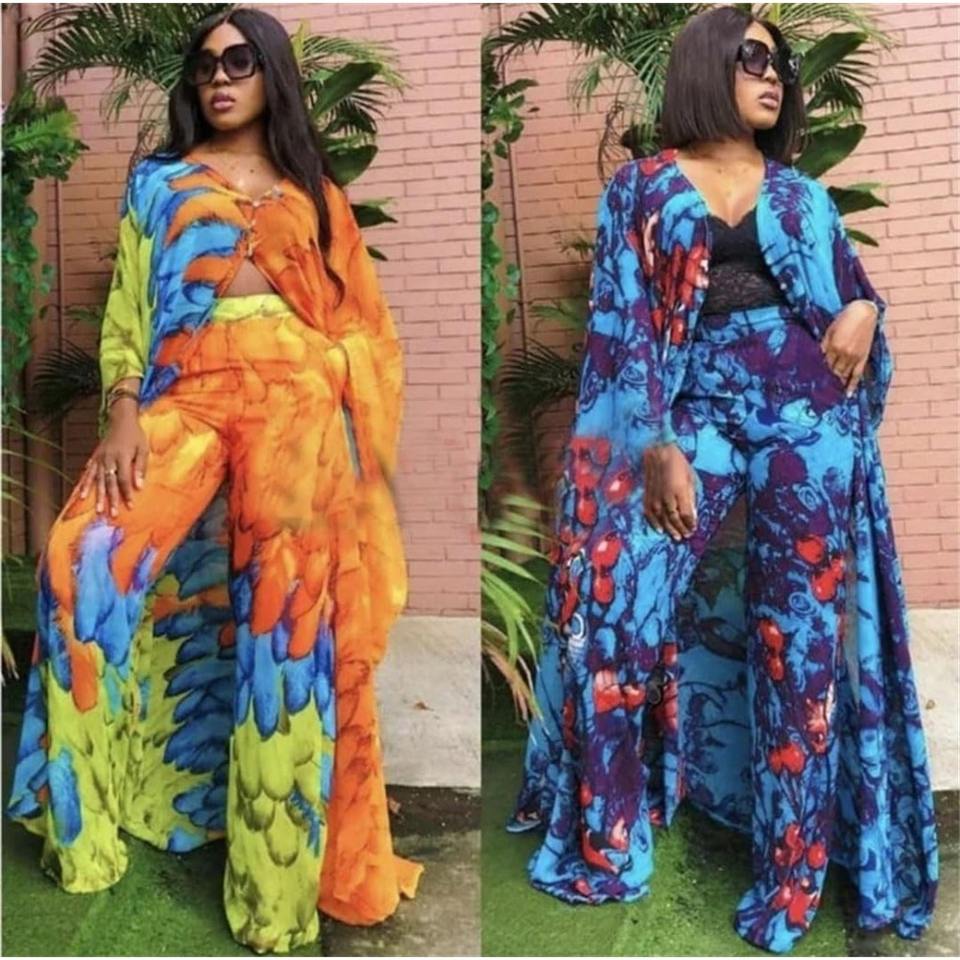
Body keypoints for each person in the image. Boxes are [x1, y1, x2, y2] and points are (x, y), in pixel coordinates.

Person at [507, 6, 938, 953]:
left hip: (808, 415)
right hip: (691, 405)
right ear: (708, 65)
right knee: (615, 603)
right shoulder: (640, 187)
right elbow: (622, 322)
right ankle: (609, 838)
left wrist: (866, 311)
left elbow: (850, 290)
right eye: (753, 58)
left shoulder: (803, 194)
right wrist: (656, 441)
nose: (773, 75)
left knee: (800, 644)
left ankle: (792, 876)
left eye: (781, 65)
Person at [6, 7, 421, 954]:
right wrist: (122, 407)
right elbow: (129, 306)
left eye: (239, 61)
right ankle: (84, 838)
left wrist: (334, 383)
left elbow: (364, 325)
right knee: (80, 562)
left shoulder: (316, 191)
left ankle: (275, 900)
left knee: (287, 628)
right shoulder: (158, 182)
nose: (219, 78)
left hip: (299, 408)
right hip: (185, 394)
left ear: (273, 73)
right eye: (204, 66)